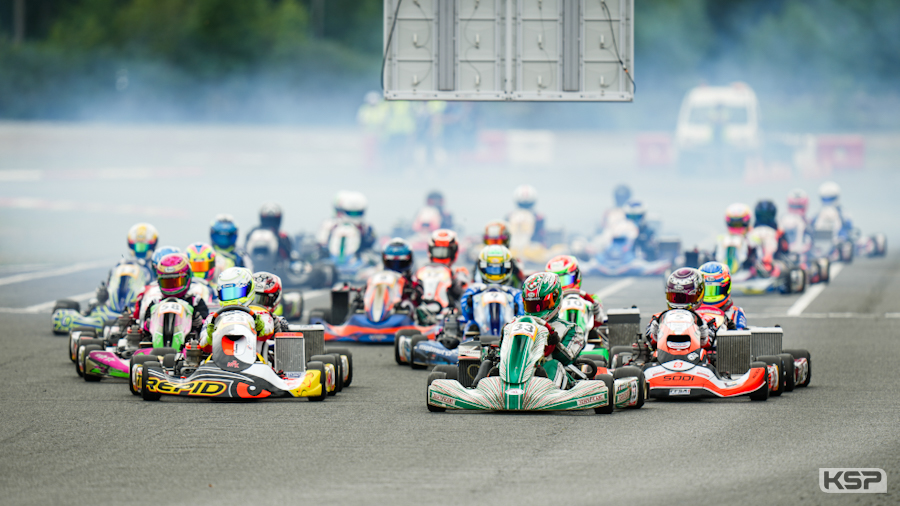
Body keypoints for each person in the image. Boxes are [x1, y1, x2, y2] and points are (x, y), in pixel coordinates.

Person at [520, 272, 585, 390]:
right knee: (496, 365)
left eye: (540, 305)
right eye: (531, 305)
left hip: (550, 370)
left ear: (555, 299)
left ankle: (545, 391)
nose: (536, 310)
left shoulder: (571, 329)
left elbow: (567, 359)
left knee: (552, 365)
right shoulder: (518, 324)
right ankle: (483, 386)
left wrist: (555, 344)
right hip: (519, 369)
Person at [138, 253, 209, 337]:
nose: (171, 287)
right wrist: (149, 325)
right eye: (167, 283)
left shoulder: (195, 301)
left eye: (176, 282)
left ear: (187, 278)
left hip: (188, 344)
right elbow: (144, 328)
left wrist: (199, 322)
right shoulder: (156, 302)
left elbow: (207, 328)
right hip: (157, 344)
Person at [643, 268, 714, 352]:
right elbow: (650, 342)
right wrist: (654, 334)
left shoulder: (706, 320)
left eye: (684, 298)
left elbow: (710, 345)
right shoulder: (658, 318)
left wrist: (703, 336)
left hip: (696, 358)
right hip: (663, 357)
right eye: (675, 297)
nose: (679, 302)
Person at [459, 245, 525, 331]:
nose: (495, 272)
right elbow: (466, 313)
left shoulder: (515, 293)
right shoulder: (474, 290)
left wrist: (516, 309)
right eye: (491, 268)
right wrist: (470, 303)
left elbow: (522, 316)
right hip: (478, 334)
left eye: (499, 268)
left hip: (509, 332)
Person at [202, 267, 268, 351]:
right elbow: (203, 346)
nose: (232, 298)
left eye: (237, 292)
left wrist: (260, 329)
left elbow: (269, 332)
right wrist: (210, 336)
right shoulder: (212, 318)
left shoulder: (259, 314)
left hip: (255, 359)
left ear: (248, 289)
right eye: (227, 293)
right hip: (219, 360)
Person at [545, 255, 606, 329]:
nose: (560, 286)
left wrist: (596, 310)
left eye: (565, 280)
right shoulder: (546, 302)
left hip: (588, 336)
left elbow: (599, 321)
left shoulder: (591, 299)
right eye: (556, 283)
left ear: (576, 276)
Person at [698, 262, 747, 330]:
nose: (711, 296)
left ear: (727, 287)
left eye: (716, 290)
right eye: (707, 290)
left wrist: (731, 327)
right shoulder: (692, 313)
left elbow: (742, 337)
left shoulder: (735, 312)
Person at [476, 220, 526, 287]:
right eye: (491, 241)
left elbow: (522, 283)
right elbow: (473, 282)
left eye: (498, 241)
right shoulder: (480, 260)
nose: (494, 245)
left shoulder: (514, 262)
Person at [426, 229, 465, 307]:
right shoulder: (423, 272)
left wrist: (454, 282)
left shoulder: (458, 272)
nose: (441, 255)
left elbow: (463, 293)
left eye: (445, 251)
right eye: (437, 251)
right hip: (426, 305)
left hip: (449, 308)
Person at [382, 238, 421, 307]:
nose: (396, 266)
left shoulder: (413, 284)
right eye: (392, 263)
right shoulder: (378, 281)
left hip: (404, 312)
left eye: (401, 263)